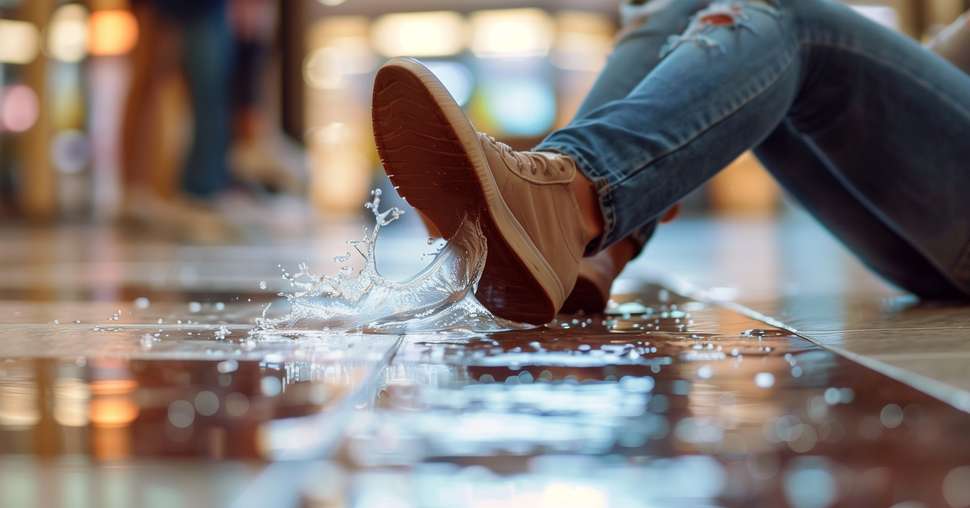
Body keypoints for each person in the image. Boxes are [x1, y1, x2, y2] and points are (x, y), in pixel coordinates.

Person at [372, 0, 970, 325]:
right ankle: (593, 250)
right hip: (928, 233)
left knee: (791, 20)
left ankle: (569, 203)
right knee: (680, 8)